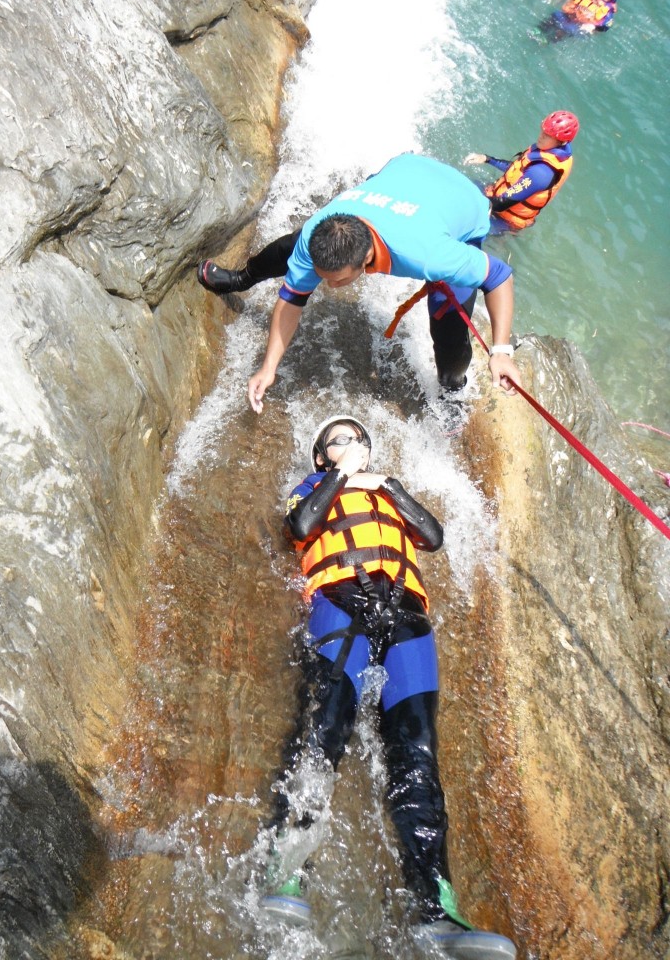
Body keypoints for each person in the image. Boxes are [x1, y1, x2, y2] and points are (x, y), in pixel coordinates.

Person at [259, 415, 517, 959]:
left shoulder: (389, 493)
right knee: (325, 726)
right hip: (340, 604)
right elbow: (301, 527)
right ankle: (287, 869)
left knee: (418, 751)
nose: (352, 443)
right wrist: (339, 477)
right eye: (339, 439)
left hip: (406, 617)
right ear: (321, 456)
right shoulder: (313, 487)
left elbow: (433, 537)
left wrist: (391, 487)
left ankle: (434, 907)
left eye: (359, 438)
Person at [197, 153, 521, 412]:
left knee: (448, 327)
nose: (329, 287)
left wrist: (501, 350)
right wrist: (268, 368)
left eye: (337, 280)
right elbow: (292, 300)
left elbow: (498, 277)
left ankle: (452, 391)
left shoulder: (429, 255)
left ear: (367, 258)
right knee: (292, 246)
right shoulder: (321, 228)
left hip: (463, 201)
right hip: (407, 170)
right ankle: (242, 278)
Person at [463, 111, 578, 233]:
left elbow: (501, 204)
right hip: (496, 197)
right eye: (543, 131)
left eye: (548, 135)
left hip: (504, 219)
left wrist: (470, 200)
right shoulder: (548, 150)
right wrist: (487, 159)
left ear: (561, 141)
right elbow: (517, 169)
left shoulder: (541, 173)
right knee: (465, 186)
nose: (541, 136)